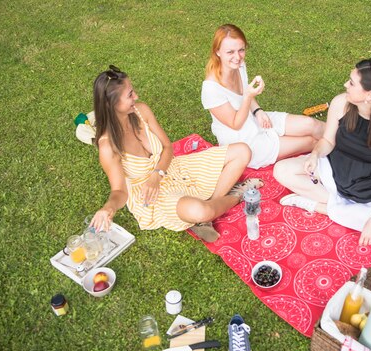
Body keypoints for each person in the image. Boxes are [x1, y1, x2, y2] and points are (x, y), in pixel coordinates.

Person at [89, 65, 262, 243]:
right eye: (130, 95)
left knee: (242, 151)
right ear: (112, 104)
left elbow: (167, 147)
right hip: (152, 195)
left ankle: (208, 210)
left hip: (172, 168)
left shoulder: (141, 111)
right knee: (201, 211)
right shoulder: (108, 146)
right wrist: (108, 208)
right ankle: (236, 195)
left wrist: (158, 173)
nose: (137, 97)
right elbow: (119, 191)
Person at [273, 57, 371, 250]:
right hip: (335, 170)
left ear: (369, 95)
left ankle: (319, 206)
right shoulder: (340, 103)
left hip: (369, 187)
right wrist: (314, 154)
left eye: (352, 83)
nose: (346, 84)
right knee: (282, 170)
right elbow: (327, 141)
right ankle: (343, 207)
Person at [201, 24, 325, 169]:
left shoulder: (239, 65)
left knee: (312, 125)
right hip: (244, 141)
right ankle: (345, 151)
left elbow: (245, 93)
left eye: (241, 50)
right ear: (217, 52)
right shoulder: (211, 89)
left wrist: (258, 111)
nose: (237, 57)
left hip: (254, 119)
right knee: (311, 142)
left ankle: (351, 138)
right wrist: (248, 97)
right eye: (230, 52)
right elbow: (236, 124)